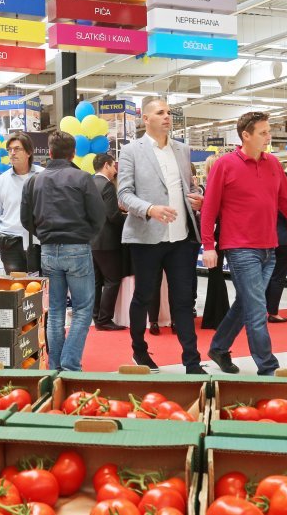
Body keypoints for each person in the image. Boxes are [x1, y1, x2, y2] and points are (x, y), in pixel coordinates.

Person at [201, 111, 287, 376]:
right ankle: (269, 368)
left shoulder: (273, 165)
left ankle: (219, 347)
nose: (269, 137)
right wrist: (208, 245)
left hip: (270, 246)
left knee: (246, 302)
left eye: (269, 131)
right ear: (246, 135)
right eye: (263, 132)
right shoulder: (225, 165)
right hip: (239, 247)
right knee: (258, 309)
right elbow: (209, 208)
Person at [118, 98, 206, 374]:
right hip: (146, 237)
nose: (167, 117)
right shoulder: (131, 151)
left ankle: (191, 360)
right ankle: (139, 351)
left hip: (181, 237)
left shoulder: (182, 149)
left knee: (183, 300)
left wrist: (198, 199)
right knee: (143, 296)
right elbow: (123, 195)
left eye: (168, 112)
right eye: (160, 113)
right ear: (146, 119)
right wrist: (150, 209)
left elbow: (189, 186)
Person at [21, 131, 105, 371]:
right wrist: (85, 236)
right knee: (82, 310)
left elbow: (26, 219)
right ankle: (70, 363)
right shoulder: (82, 178)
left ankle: (56, 365)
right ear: (73, 153)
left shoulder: (34, 181)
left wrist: (44, 235)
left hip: (48, 250)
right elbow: (99, 215)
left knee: (55, 310)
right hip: (77, 247)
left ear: (49, 152)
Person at [0, 132, 43, 274]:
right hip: (10, 246)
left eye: (17, 149)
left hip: (38, 243)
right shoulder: (1, 181)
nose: (12, 153)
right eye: (9, 150)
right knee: (16, 289)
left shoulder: (43, 176)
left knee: (40, 289)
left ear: (29, 152)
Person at [90, 153, 127, 332]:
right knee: (113, 280)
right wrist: (127, 221)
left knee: (97, 281)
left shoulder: (89, 183)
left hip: (92, 240)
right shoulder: (107, 186)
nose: (115, 170)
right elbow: (112, 216)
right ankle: (105, 319)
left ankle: (96, 316)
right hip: (108, 241)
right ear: (106, 165)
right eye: (113, 166)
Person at [200, 154, 229, 330]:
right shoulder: (220, 185)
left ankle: (217, 316)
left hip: (217, 234)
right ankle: (218, 314)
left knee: (215, 275)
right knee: (215, 275)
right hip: (219, 233)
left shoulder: (212, 186)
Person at [265, 207, 287, 324]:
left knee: (267, 276)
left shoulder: (268, 197)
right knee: (278, 278)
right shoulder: (284, 201)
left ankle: (264, 309)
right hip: (283, 242)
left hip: (267, 240)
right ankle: (273, 313)